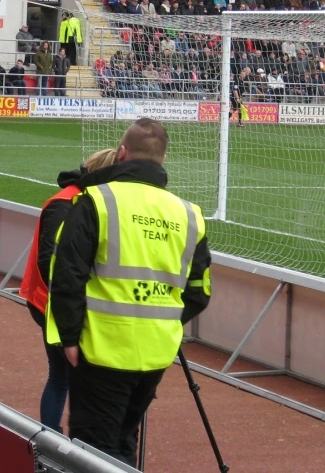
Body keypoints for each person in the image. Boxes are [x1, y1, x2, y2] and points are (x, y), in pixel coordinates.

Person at [46, 118, 212, 467]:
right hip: (156, 352)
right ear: (163, 160)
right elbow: (199, 292)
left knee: (92, 450)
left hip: (101, 348)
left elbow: (66, 275)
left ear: (122, 153)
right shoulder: (188, 214)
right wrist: (161, 319)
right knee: (123, 440)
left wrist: (70, 337)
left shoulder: (96, 200)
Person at [19, 149, 118, 434]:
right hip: (54, 303)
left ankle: (52, 442)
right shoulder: (68, 203)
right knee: (66, 377)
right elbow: (50, 261)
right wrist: (71, 304)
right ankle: (56, 443)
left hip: (59, 301)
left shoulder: (79, 200)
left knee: (63, 377)